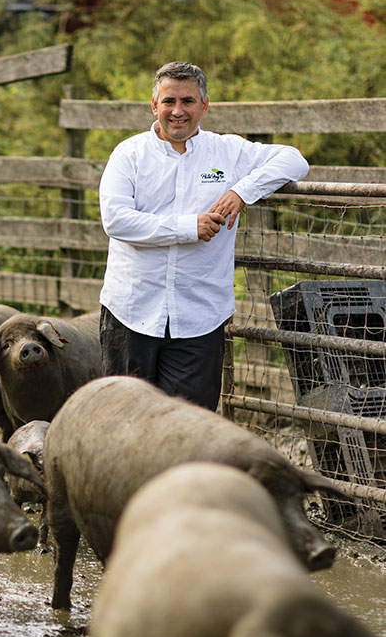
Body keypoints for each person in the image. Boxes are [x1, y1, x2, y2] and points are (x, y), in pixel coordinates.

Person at [98, 61, 309, 411]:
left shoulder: (229, 152)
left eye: (188, 101)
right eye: (169, 101)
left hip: (198, 317)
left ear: (204, 106)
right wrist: (187, 227)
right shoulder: (129, 155)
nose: (177, 111)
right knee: (125, 422)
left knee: (190, 427)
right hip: (131, 312)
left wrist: (243, 191)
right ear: (154, 106)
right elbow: (117, 220)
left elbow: (294, 159)